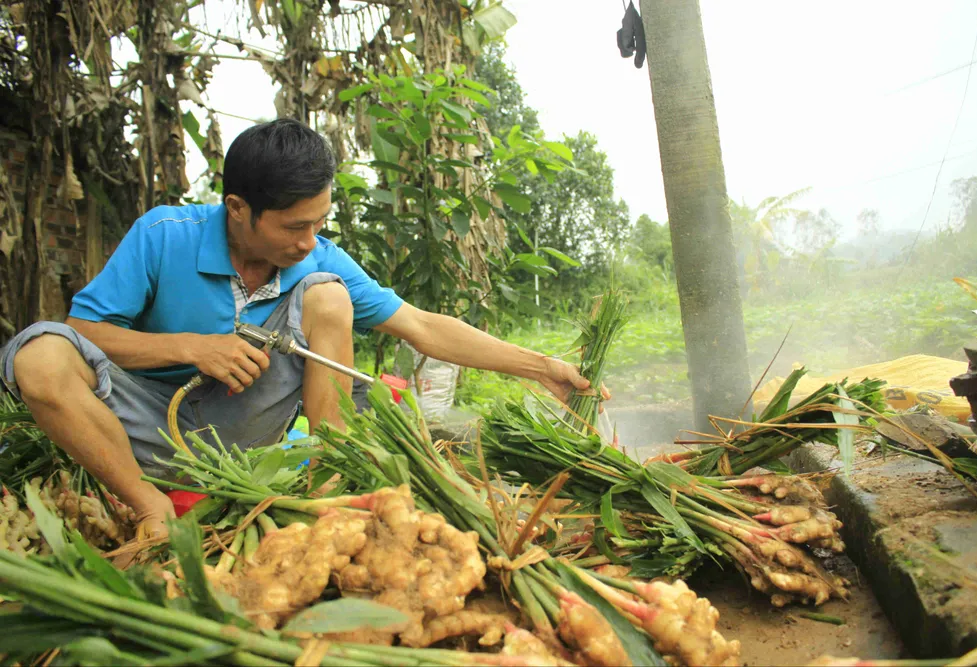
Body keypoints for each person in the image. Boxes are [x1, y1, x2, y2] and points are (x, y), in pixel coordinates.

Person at [0, 118, 607, 538]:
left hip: (240, 431)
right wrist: (190, 347)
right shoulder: (163, 236)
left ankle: (334, 480)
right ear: (238, 209)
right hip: (142, 426)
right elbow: (85, 330)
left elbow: (421, 326)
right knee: (39, 356)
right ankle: (148, 504)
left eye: (319, 223)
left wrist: (541, 367)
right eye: (294, 227)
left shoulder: (314, 259)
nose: (309, 241)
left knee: (329, 295)